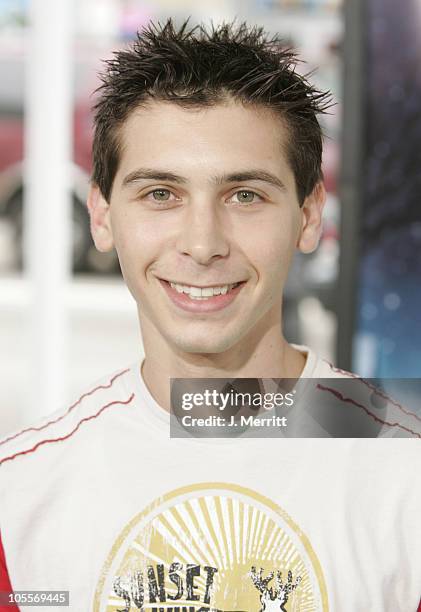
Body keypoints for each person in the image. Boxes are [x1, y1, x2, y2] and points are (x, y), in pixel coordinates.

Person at [0, 19, 420, 612]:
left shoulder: (406, 479)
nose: (202, 244)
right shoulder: (19, 505)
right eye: (160, 194)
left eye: (245, 195)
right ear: (101, 214)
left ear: (308, 217)